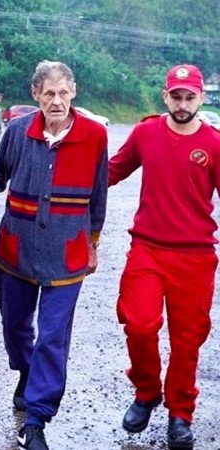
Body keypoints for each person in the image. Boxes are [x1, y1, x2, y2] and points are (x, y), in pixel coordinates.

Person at [0, 60, 108, 450]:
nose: (56, 101)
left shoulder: (94, 136)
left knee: (53, 336)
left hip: (67, 256)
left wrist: (93, 243)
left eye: (63, 92)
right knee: (16, 327)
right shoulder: (20, 131)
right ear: (36, 94)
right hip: (15, 251)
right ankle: (25, 371)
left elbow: (99, 195)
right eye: (48, 93)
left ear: (73, 91)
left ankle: (37, 419)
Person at [109, 64, 220, 450]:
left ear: (201, 97)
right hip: (148, 249)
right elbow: (110, 172)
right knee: (139, 324)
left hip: (196, 256)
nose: (183, 104)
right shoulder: (145, 132)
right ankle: (146, 391)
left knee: (187, 340)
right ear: (165, 96)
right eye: (177, 96)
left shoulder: (215, 143)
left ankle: (180, 413)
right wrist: (62, 173)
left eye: (190, 97)